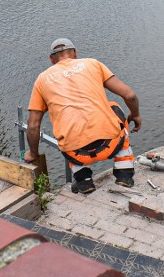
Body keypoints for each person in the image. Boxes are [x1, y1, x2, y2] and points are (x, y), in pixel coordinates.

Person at [24, 38, 141, 194]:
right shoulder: (93, 64)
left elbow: (33, 126)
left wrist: (33, 153)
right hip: (111, 143)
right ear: (75, 53)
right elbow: (130, 95)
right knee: (115, 107)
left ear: (52, 60)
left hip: (75, 153)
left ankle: (84, 180)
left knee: (66, 123)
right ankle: (124, 173)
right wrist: (135, 114)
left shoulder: (41, 80)